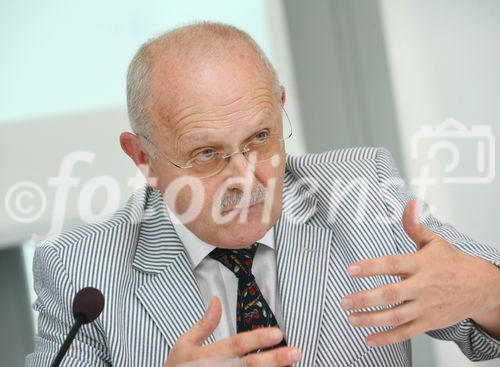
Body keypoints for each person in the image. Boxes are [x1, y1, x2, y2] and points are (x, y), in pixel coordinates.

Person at [26, 22, 500, 367]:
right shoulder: (79, 272)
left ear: (280, 108)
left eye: (260, 139)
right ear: (142, 157)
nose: (246, 177)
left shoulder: (365, 194)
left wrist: (484, 291)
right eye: (207, 153)